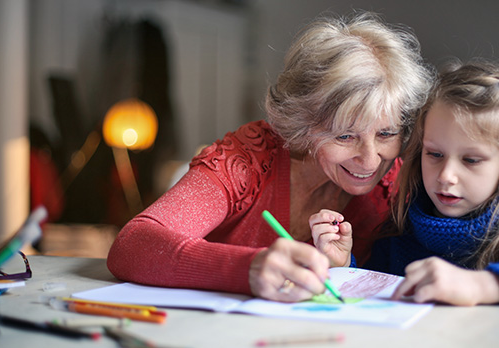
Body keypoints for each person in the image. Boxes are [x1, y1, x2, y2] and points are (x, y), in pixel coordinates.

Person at [106, 11, 434, 302]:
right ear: (305, 124)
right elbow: (133, 246)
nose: (371, 161)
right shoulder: (249, 158)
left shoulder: (394, 184)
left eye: (386, 134)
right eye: (345, 135)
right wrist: (247, 269)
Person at [310, 60, 499, 326]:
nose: (446, 176)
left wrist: (481, 286)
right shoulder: (401, 231)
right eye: (435, 155)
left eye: (471, 160)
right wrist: (345, 268)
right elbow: (376, 309)